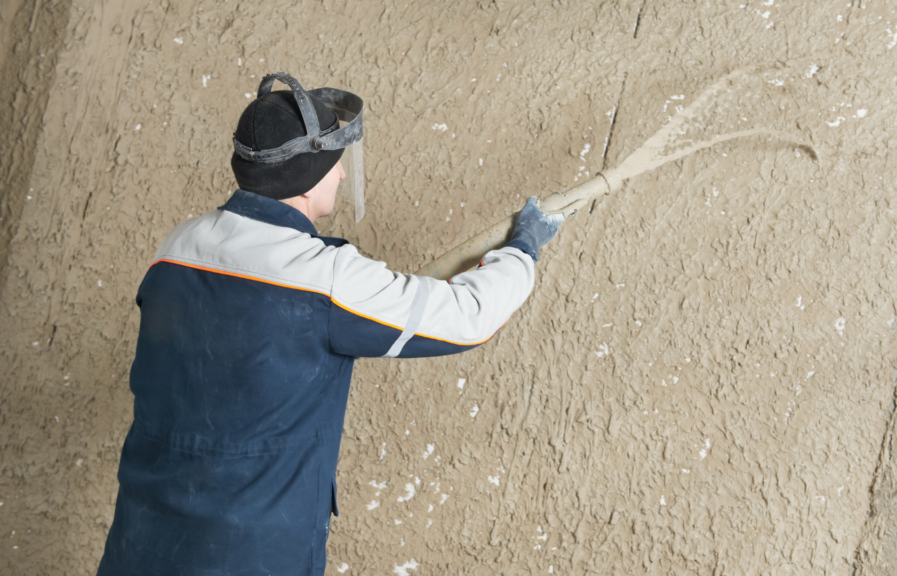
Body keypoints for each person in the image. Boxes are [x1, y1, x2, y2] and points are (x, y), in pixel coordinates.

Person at [96, 73, 570, 576]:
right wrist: (522, 250)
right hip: (249, 554)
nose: (341, 175)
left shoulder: (176, 248)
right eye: (334, 163)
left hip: (142, 539)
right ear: (306, 173)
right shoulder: (326, 279)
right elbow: (468, 317)